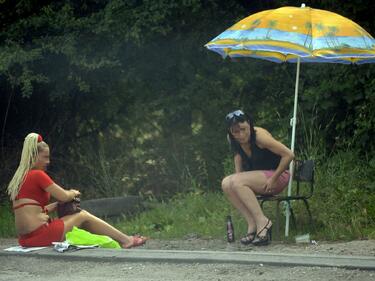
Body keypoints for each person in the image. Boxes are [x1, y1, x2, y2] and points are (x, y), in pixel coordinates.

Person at [7, 132, 148, 248]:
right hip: (40, 236)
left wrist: (56, 206)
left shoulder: (19, 178)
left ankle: (120, 240)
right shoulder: (37, 175)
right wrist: (73, 193)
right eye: (45, 157)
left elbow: (33, 211)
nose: (48, 161)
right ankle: (125, 240)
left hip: (25, 240)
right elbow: (63, 196)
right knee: (83, 215)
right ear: (33, 156)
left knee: (78, 216)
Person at [221, 110, 294, 246]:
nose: (241, 135)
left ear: (249, 124)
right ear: (230, 131)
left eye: (243, 129)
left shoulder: (259, 136)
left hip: (278, 176)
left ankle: (263, 222)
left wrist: (273, 179)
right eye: (236, 132)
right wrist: (235, 181)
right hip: (259, 178)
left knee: (237, 181)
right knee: (226, 183)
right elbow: (238, 156)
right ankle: (252, 224)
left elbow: (289, 155)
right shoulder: (232, 139)